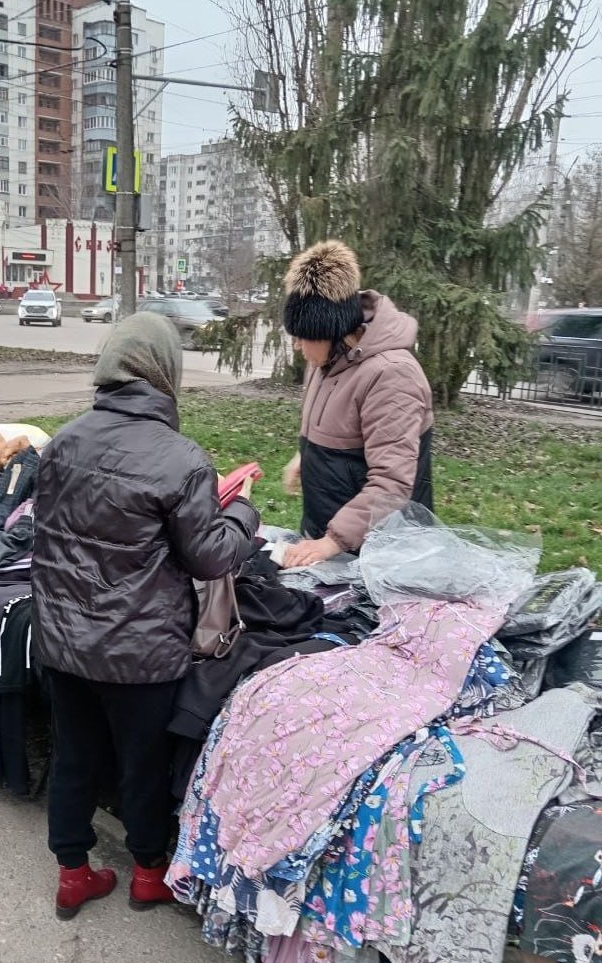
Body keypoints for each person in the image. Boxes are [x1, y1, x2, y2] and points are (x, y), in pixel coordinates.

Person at [32, 312, 260, 919]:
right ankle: (149, 874)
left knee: (74, 757)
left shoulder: (63, 440)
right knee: (143, 765)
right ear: (167, 373)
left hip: (62, 643)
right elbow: (210, 557)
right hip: (140, 652)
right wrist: (244, 515)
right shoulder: (181, 459)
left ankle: (73, 873)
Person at [280, 240, 433, 568]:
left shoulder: (392, 375)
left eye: (303, 336)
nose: (297, 346)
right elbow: (336, 428)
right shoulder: (324, 361)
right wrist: (305, 456)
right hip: (331, 537)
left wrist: (331, 542)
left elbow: (391, 482)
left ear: (331, 332)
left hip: (381, 555)